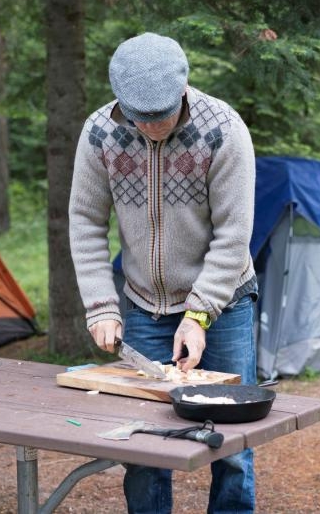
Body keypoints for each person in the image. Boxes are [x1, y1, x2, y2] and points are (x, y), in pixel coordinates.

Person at [68, 32, 259, 513]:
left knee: (232, 441)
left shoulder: (223, 129)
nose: (153, 128)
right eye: (141, 118)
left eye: (163, 116)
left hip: (225, 303)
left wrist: (198, 316)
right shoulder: (100, 133)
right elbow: (86, 221)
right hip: (144, 307)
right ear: (122, 102)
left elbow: (234, 234)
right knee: (144, 444)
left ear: (183, 90)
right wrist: (100, 305)